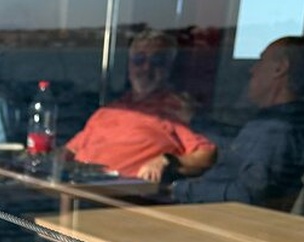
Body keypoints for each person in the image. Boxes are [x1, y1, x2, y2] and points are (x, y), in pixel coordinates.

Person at [170, 36, 304, 210]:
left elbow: (247, 196)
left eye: (261, 61)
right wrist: (195, 120)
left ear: (279, 68)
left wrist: (179, 189)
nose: (252, 70)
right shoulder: (271, 124)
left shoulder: (278, 130)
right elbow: (236, 146)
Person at [65, 30, 216, 180]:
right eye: (139, 60)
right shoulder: (109, 111)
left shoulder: (175, 109)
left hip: (120, 195)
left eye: (157, 61)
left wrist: (168, 161)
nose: (146, 68)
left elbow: (207, 154)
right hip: (77, 185)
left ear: (168, 68)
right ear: (129, 67)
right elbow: (69, 150)